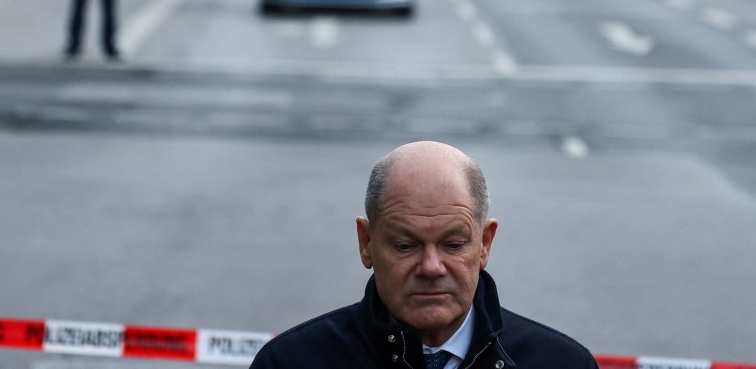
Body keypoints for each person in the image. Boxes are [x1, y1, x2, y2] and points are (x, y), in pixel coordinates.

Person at [249, 140, 599, 369]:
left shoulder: (564, 363)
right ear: (366, 242)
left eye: (454, 245)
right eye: (405, 245)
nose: (432, 267)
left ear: (485, 244)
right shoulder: (289, 363)